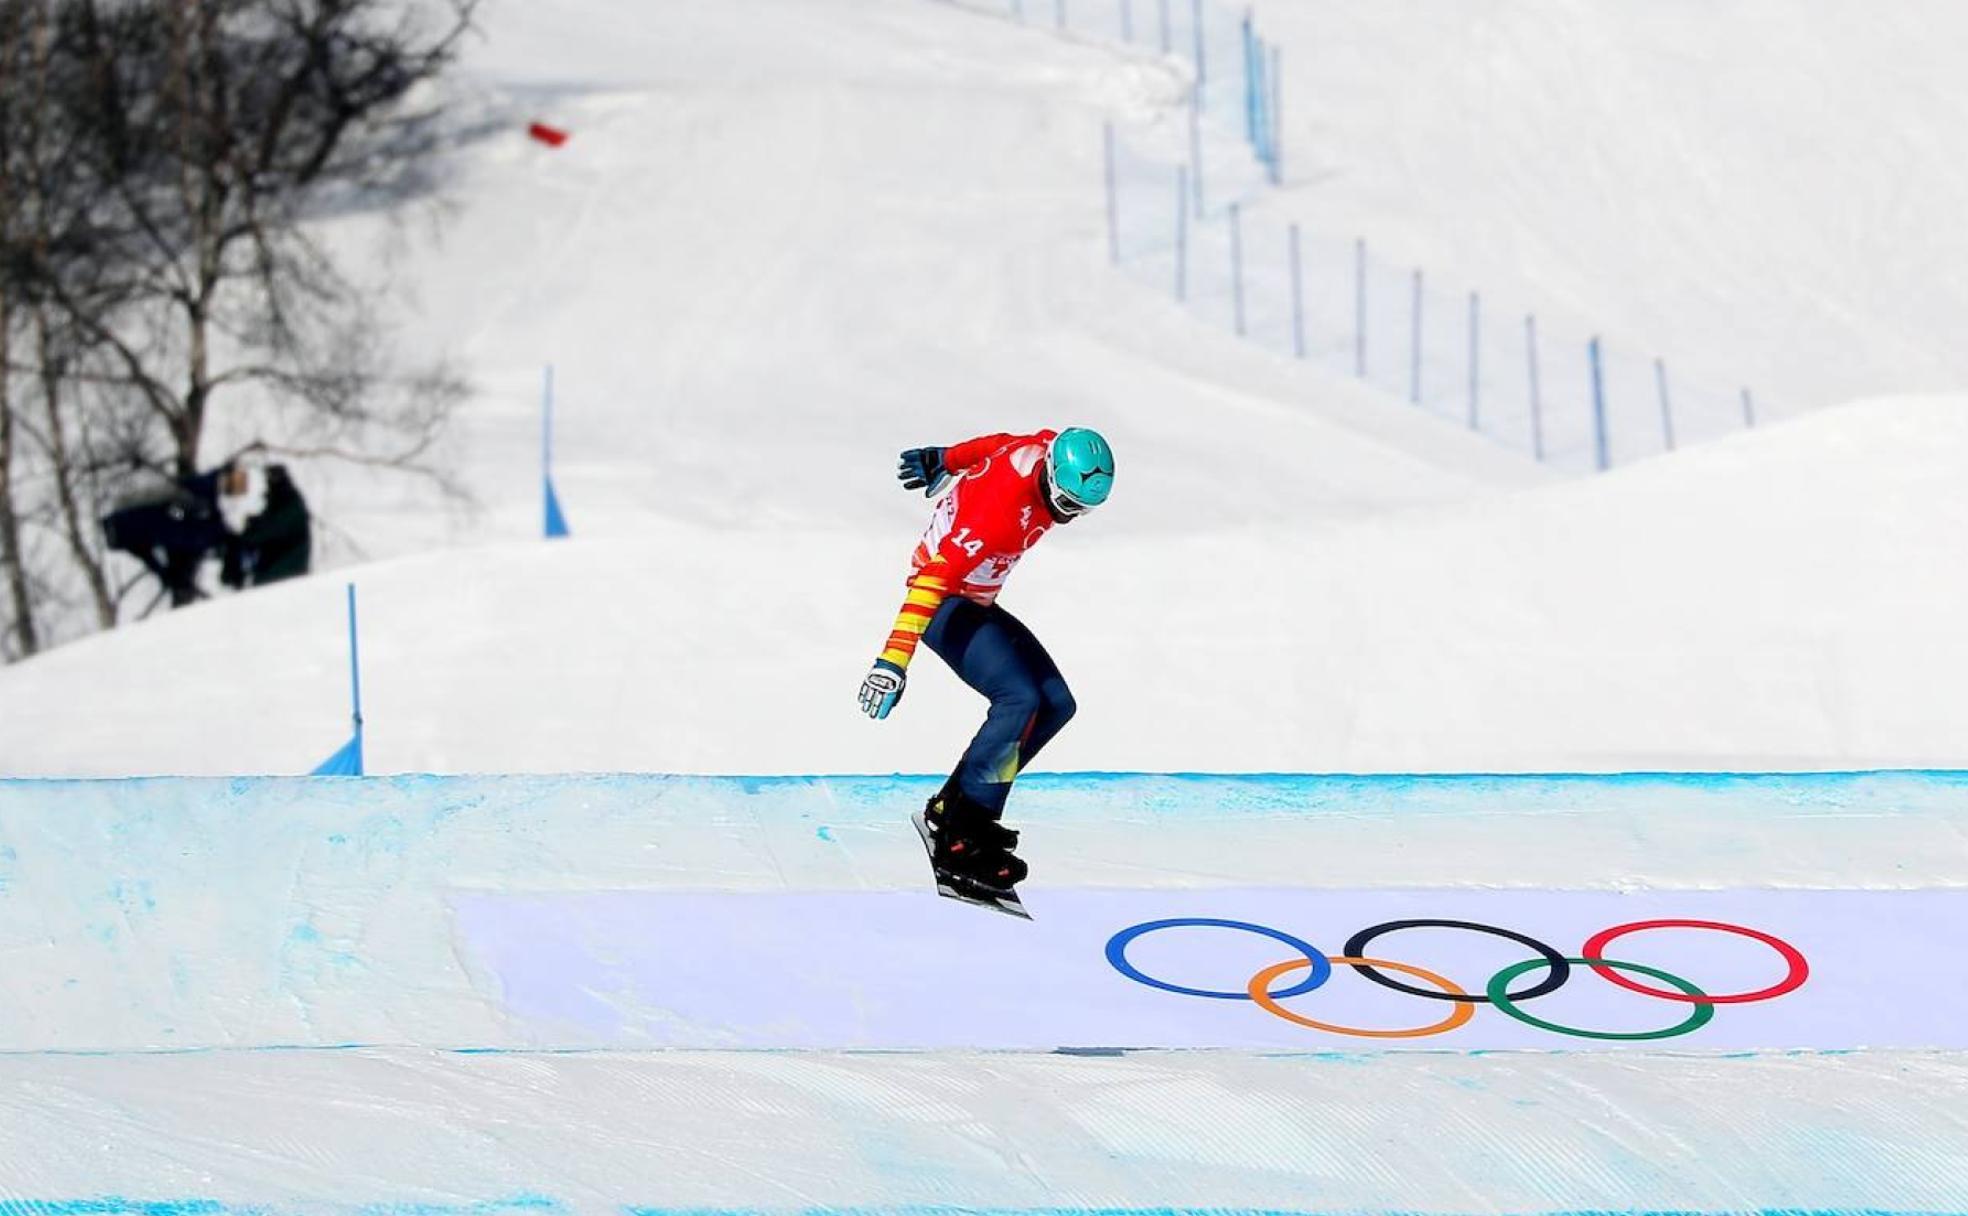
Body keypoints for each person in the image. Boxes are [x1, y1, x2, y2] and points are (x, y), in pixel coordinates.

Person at [859, 427, 1115, 894]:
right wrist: (892, 661)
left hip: (973, 600)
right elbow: (931, 581)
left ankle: (954, 806)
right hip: (944, 605)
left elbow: (999, 442)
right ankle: (961, 837)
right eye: (1068, 504)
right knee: (1019, 699)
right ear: (1053, 479)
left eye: (1083, 509)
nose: (1071, 516)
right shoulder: (996, 514)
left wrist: (947, 457)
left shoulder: (1045, 449)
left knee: (1056, 703)